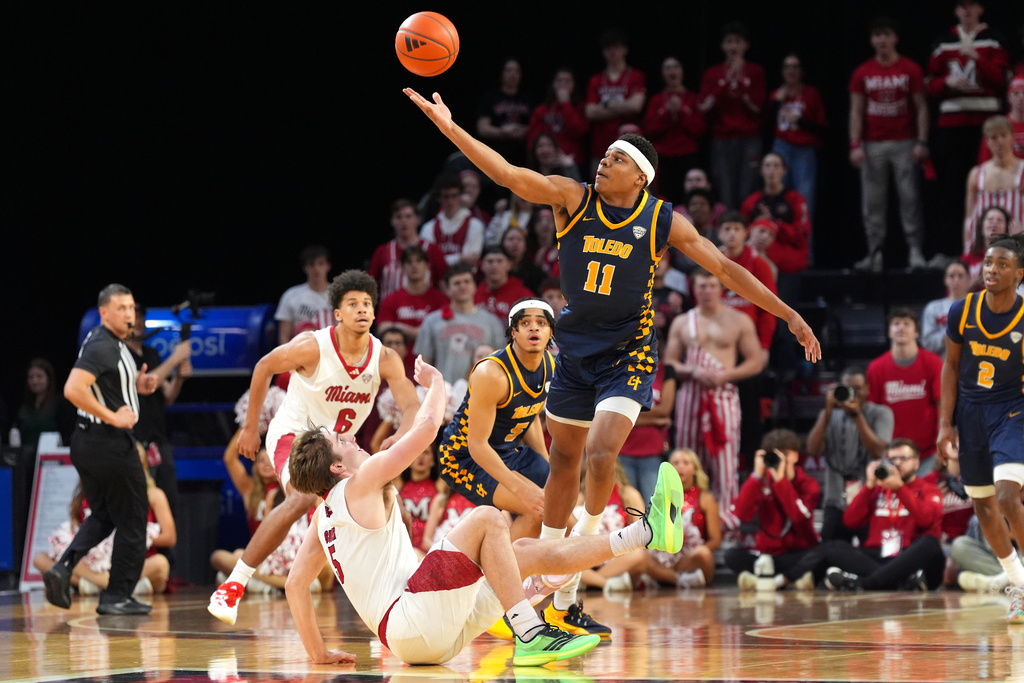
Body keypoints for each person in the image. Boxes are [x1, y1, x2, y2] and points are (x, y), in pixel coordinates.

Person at [404, 84, 819, 638]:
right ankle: (562, 597)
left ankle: (576, 570)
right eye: (605, 155)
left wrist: (788, 314)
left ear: (641, 177)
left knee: (602, 452)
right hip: (573, 354)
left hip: (628, 355)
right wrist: (449, 127)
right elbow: (506, 173)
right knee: (564, 466)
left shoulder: (662, 220)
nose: (605, 161)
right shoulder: (572, 199)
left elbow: (725, 269)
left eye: (618, 158)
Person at [282, 356, 686, 667]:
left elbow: (295, 585)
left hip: (421, 635)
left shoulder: (322, 519)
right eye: (341, 440)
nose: (351, 438)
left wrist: (317, 654)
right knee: (487, 517)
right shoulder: (360, 481)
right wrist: (437, 382)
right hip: (413, 617)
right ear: (337, 467)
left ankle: (646, 533)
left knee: (527, 552)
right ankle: (529, 632)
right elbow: (425, 431)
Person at [208, 270, 420, 626]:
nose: (362, 309)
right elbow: (264, 367)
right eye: (352, 303)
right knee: (304, 498)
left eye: (367, 303)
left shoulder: (384, 358)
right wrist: (250, 428)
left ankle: (404, 593)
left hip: (340, 450)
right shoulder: (312, 346)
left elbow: (412, 406)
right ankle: (234, 584)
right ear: (337, 313)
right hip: (296, 439)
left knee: (396, 505)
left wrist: (402, 432)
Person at [45, 283, 160, 615]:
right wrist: (113, 417)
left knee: (106, 515)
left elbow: (104, 385)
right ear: (104, 312)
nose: (129, 314)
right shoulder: (103, 346)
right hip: (108, 443)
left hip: (87, 443)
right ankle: (117, 596)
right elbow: (72, 389)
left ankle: (64, 566)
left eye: (132, 308)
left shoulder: (113, 343)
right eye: (121, 308)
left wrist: (136, 387)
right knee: (135, 518)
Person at [937, 234, 1024, 622]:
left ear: (1019, 274)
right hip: (971, 412)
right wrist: (945, 424)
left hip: (1012, 410)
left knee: (1007, 497)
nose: (991, 269)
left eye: (1002, 264)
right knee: (984, 505)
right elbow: (951, 368)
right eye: (988, 262)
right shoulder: (963, 310)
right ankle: (1018, 583)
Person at [438, 299, 556, 542]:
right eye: (525, 323)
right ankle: (492, 578)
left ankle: (548, 571)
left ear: (550, 331)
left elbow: (529, 414)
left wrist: (545, 461)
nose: (534, 328)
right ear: (513, 331)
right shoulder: (491, 373)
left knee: (562, 500)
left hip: (507, 452)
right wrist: (521, 487)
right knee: (536, 511)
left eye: (541, 323)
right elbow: (477, 446)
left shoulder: (549, 365)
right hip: (464, 459)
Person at [666, 269, 768, 530]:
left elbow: (757, 361)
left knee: (724, 460)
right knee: (686, 458)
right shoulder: (682, 322)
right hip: (690, 393)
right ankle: (685, 519)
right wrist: (692, 371)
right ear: (694, 289)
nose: (707, 291)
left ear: (721, 287)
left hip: (723, 395)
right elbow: (669, 362)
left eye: (712, 285)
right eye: (702, 286)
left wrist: (726, 376)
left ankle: (726, 521)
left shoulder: (739, 320)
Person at [926, 0, 1011, 259]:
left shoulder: (994, 40)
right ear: (955, 10)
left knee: (987, 184)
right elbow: (929, 84)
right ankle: (951, 249)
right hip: (951, 127)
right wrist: (946, 81)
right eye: (962, 6)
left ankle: (993, 246)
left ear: (980, 9)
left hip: (984, 126)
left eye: (971, 6)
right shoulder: (943, 42)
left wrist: (977, 58)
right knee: (952, 188)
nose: (966, 11)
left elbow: (1000, 81)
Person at [35, 448, 175, 598]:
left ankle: (88, 584)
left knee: (161, 564)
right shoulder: (97, 493)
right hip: (92, 561)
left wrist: (140, 536)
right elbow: (81, 527)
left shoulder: (153, 494)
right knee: (41, 559)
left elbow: (170, 538)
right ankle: (109, 585)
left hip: (130, 560)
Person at [848, 16, 929, 272]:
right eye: (877, 35)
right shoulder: (863, 71)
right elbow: (856, 111)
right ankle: (875, 253)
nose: (881, 40)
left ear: (895, 38)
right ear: (872, 40)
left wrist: (921, 141)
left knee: (909, 198)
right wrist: (855, 144)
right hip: (873, 145)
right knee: (872, 202)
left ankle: (915, 251)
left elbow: (921, 107)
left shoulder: (910, 69)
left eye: (886, 34)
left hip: (904, 142)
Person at [814, 439, 945, 592]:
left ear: (916, 463)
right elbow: (850, 521)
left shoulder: (929, 489)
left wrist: (900, 489)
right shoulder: (877, 490)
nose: (897, 463)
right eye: (892, 459)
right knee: (833, 547)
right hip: (877, 555)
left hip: (909, 557)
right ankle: (902, 582)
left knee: (930, 544)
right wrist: (869, 485)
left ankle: (863, 584)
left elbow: (926, 520)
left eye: (903, 458)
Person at [125, 304, 192, 570]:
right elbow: (146, 384)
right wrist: (174, 359)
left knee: (169, 495)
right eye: (134, 317)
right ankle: (141, 557)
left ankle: (166, 560)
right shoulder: (122, 354)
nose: (139, 322)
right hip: (133, 437)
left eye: (142, 317)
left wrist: (178, 378)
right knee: (140, 497)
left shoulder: (151, 352)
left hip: (157, 437)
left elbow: (166, 395)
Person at [805, 367, 894, 543]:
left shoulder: (881, 413)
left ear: (867, 389)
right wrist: (828, 411)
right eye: (847, 388)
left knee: (870, 553)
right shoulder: (828, 415)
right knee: (830, 552)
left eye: (857, 388)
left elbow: (877, 451)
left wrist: (856, 415)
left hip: (870, 497)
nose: (852, 393)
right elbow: (813, 450)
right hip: (835, 496)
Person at [725, 428, 820, 591]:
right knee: (732, 555)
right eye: (773, 453)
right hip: (767, 556)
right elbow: (742, 514)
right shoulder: (760, 481)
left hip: (797, 553)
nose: (778, 458)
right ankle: (788, 580)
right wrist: (755, 476)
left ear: (796, 456)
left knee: (821, 555)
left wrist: (781, 481)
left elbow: (799, 518)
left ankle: (764, 580)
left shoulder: (808, 484)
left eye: (784, 453)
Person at [866, 308, 943, 475]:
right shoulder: (876, 368)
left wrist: (941, 443)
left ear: (916, 333)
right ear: (889, 332)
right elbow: (872, 411)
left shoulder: (933, 363)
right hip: (890, 454)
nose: (901, 328)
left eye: (907, 324)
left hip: (927, 453)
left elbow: (942, 405)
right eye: (896, 324)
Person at [698, 21, 766, 210]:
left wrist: (741, 82)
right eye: (729, 42)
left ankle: (745, 232)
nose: (733, 47)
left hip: (749, 138)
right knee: (724, 189)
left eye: (738, 42)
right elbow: (704, 107)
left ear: (746, 45)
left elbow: (758, 107)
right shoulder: (713, 73)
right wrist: (726, 81)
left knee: (749, 188)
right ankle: (727, 234)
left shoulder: (755, 71)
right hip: (722, 139)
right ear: (722, 46)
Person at [414, 263, 506, 386]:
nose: (462, 286)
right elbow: (424, 364)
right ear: (447, 289)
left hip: (482, 392)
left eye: (467, 281)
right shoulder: (432, 321)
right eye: (457, 283)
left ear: (474, 286)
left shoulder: (492, 322)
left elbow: (502, 363)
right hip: (444, 392)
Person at [642, 448, 722, 589]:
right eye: (675, 463)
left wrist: (689, 551)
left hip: (690, 557)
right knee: (639, 556)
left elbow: (716, 541)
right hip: (662, 558)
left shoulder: (706, 498)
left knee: (704, 554)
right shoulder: (659, 498)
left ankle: (663, 576)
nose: (680, 467)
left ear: (695, 468)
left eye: (686, 463)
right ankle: (679, 579)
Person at [617, 339, 676, 507]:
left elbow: (665, 409)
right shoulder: (622, 369)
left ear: (657, 344)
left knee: (654, 506)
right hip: (623, 449)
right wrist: (656, 420)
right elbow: (619, 411)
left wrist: (632, 416)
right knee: (628, 508)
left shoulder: (666, 371)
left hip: (653, 450)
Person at [768, 53, 827, 222]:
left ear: (801, 71)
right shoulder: (776, 95)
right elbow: (767, 125)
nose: (791, 71)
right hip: (781, 149)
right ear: (782, 71)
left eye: (795, 67)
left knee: (804, 199)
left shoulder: (811, 94)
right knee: (777, 195)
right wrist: (778, 101)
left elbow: (821, 126)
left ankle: (805, 248)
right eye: (787, 67)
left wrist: (800, 121)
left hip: (804, 149)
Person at [739, 152, 812, 282]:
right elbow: (741, 233)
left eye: (776, 166)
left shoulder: (795, 199)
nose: (771, 170)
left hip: (788, 266)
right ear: (762, 170)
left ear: (783, 171)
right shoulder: (752, 201)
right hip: (756, 265)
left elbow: (801, 235)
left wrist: (774, 224)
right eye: (767, 166)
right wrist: (758, 226)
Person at [583, 28, 647, 175]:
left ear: (625, 50)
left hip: (630, 148)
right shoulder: (596, 80)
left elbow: (635, 106)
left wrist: (606, 105)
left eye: (616, 47)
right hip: (601, 147)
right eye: (608, 48)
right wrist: (623, 107)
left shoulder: (636, 76)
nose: (613, 51)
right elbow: (590, 112)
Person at [643, 56, 705, 204]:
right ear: (663, 73)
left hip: (688, 155)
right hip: (663, 157)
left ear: (682, 72)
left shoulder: (693, 98)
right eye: (668, 68)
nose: (672, 72)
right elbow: (650, 130)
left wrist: (681, 111)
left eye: (675, 67)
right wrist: (667, 113)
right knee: (666, 195)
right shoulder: (656, 100)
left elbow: (700, 129)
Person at [962, 115, 1024, 256]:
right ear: (987, 141)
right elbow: (969, 218)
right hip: (983, 248)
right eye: (994, 138)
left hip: (1017, 248)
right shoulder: (976, 174)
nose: (999, 141)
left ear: (1012, 137)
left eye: (1003, 135)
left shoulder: (1022, 171)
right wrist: (967, 250)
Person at [375, 244, 449, 362]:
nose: (414, 266)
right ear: (402, 267)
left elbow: (444, 332)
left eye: (419, 261)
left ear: (427, 266)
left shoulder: (441, 299)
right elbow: (383, 330)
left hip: (432, 364)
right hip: (398, 364)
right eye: (409, 262)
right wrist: (423, 333)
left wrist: (401, 328)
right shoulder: (391, 299)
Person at [717, 211, 778, 352]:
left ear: (745, 233)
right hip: (716, 332)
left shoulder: (761, 265)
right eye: (727, 229)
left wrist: (764, 346)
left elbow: (770, 307)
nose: (732, 233)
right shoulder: (710, 260)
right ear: (719, 233)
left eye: (737, 229)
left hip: (750, 336)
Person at [368, 198, 449, 302]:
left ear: (417, 219)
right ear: (392, 221)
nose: (404, 221)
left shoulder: (432, 250)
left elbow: (443, 284)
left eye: (408, 216)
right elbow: (371, 285)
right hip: (391, 312)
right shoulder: (382, 251)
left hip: (426, 311)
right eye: (398, 217)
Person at [420, 173, 487, 269]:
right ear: (439, 198)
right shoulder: (428, 228)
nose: (450, 201)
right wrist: (460, 258)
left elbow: (470, 261)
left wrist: (441, 260)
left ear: (461, 195)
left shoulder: (475, 225)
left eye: (454, 195)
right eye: (446, 196)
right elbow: (428, 262)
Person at [528, 67, 589, 172]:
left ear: (574, 85)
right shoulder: (542, 110)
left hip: (572, 162)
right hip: (546, 165)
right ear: (553, 84)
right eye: (559, 81)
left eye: (567, 81)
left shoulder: (580, 107)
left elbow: (578, 131)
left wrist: (566, 104)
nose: (563, 85)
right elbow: (533, 140)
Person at [476, 58, 533, 168]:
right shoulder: (490, 98)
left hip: (523, 156)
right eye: (509, 70)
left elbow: (538, 126)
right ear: (502, 73)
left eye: (517, 71)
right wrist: (503, 132)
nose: (513, 74)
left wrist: (522, 130)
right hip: (496, 155)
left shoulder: (529, 99)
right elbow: (482, 128)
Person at [274, 245, 333, 345]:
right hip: (302, 353)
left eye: (321, 264)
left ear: (328, 266)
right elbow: (284, 337)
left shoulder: (340, 295)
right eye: (311, 264)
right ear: (305, 268)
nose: (316, 269)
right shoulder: (290, 296)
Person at [14, 357, 73, 452]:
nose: (35, 381)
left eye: (39, 376)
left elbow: (67, 435)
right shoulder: (24, 407)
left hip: (51, 457)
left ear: (48, 378)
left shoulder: (60, 404)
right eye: (31, 377)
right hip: (26, 457)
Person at [396, 446, 444, 559]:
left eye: (426, 453)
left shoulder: (439, 487)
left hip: (429, 551)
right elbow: (379, 448)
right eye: (416, 452)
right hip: (403, 551)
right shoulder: (398, 486)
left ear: (433, 459)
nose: (420, 457)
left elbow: (451, 463)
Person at [920, 259, 972, 357]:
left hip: (972, 364)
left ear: (969, 279)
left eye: (960, 276)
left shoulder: (979, 306)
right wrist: (951, 332)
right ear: (945, 280)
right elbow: (927, 343)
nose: (956, 280)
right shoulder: (933, 308)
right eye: (951, 276)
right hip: (942, 365)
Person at [474, 245, 536, 319]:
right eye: (490, 261)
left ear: (509, 265)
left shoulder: (523, 296)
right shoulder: (473, 294)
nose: (494, 266)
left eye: (499, 261)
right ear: (482, 265)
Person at [964, 205, 1015, 288]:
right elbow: (952, 295)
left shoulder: (1014, 258)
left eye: (999, 220)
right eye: (990, 220)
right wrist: (972, 284)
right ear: (981, 227)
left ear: (1006, 229)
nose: (994, 224)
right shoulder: (968, 259)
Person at [977, 75, 1024, 163]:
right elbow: (984, 164)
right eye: (1016, 93)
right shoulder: (997, 126)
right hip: (1004, 175)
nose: (1021, 97)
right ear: (1009, 97)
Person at [501, 225, 546, 294]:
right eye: (511, 239)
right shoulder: (496, 270)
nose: (515, 243)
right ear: (502, 243)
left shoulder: (535, 273)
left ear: (525, 245)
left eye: (519, 239)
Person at [526, 206, 560, 280]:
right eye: (539, 221)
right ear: (533, 226)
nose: (545, 224)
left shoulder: (564, 250)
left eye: (549, 220)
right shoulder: (526, 251)